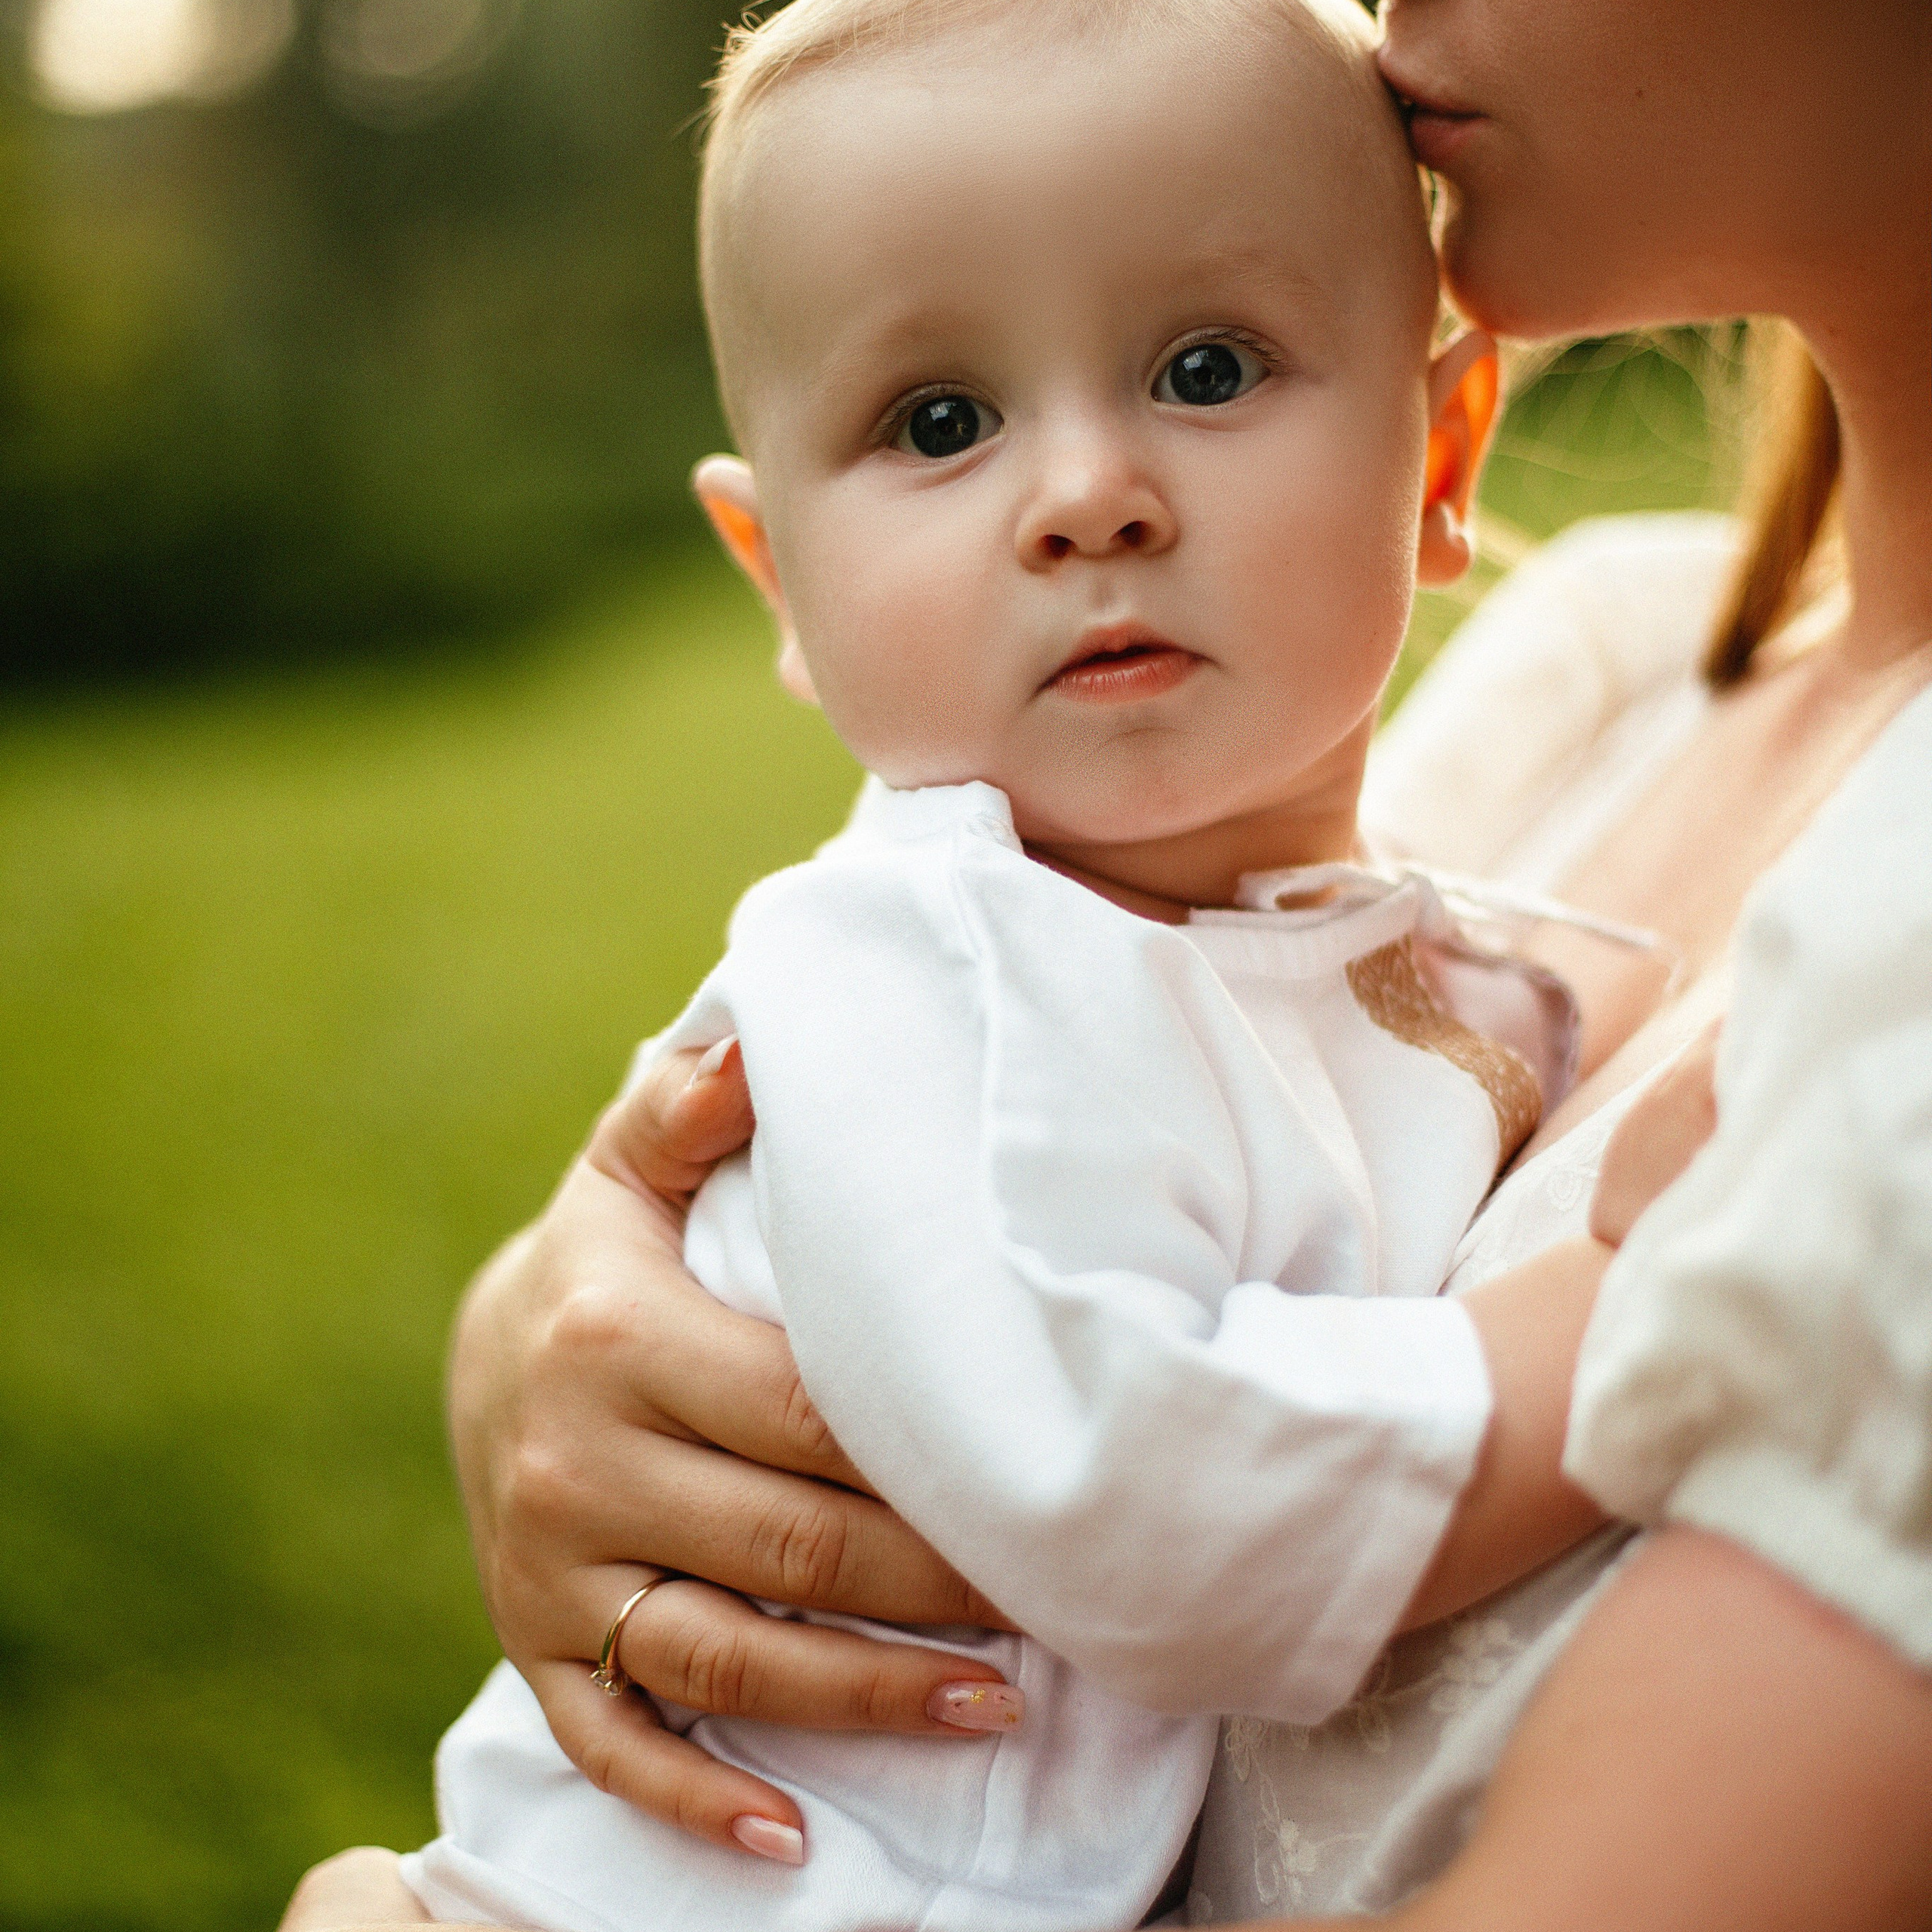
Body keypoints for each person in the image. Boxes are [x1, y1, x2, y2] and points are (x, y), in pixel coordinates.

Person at [281, 0, 1932, 1924]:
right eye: (939, 423)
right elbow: (1133, 1463)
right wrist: (1668, 1292)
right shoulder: (1593, 676)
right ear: (776, 578)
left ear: (1437, 454)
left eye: (1204, 368)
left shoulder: (1383, 897)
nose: (1085, 493)